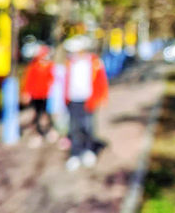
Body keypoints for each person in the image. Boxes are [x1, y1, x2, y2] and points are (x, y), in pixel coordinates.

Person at [63, 36, 109, 171]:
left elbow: (101, 81)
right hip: (73, 100)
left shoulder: (94, 62)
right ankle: (75, 154)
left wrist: (102, 97)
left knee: (88, 126)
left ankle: (88, 150)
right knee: (74, 127)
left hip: (88, 100)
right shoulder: (69, 63)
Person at [22, 45, 55, 147]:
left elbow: (53, 78)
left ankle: (49, 130)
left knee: (46, 114)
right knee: (37, 114)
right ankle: (37, 134)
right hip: (36, 95)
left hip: (46, 94)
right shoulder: (33, 66)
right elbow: (28, 80)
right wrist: (26, 92)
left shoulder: (49, 66)